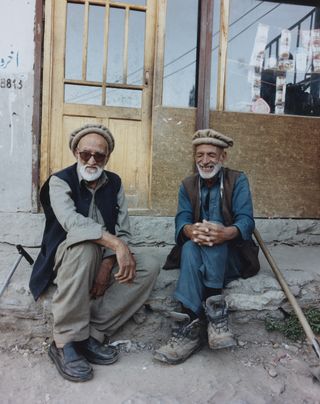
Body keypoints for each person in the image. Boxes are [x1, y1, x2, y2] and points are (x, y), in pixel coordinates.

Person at [30, 124, 160, 382]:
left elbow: (124, 229)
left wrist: (110, 261)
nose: (92, 160)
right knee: (87, 246)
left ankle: (92, 333)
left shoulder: (115, 182)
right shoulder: (59, 181)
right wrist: (117, 246)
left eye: (99, 155)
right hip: (67, 256)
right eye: (85, 154)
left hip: (102, 257)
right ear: (76, 152)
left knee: (148, 264)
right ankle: (64, 342)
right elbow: (72, 223)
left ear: (107, 157)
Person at [153, 128, 259, 365]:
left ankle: (196, 323)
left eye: (211, 154)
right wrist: (190, 230)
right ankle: (210, 317)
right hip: (196, 250)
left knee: (214, 235)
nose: (205, 160)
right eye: (200, 155)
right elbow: (182, 219)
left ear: (223, 157)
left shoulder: (238, 180)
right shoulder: (188, 185)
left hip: (232, 256)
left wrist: (225, 233)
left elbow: (246, 220)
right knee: (190, 247)